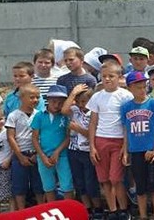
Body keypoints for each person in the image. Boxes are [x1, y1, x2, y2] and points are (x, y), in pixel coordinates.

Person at [87, 62, 133, 217]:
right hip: (101, 140)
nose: (107, 79)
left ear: (119, 77)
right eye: (104, 76)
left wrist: (125, 147)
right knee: (104, 179)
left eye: (111, 76)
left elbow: (127, 123)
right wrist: (92, 146)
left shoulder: (126, 96)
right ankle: (112, 210)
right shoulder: (97, 96)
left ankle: (124, 209)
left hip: (118, 140)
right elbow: (93, 122)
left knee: (116, 178)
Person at [120, 71, 154, 220]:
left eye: (143, 86)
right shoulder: (126, 107)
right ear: (130, 88)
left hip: (150, 150)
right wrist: (125, 150)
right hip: (135, 150)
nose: (142, 90)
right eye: (137, 87)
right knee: (140, 185)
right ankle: (143, 214)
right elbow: (126, 129)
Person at [61, 84, 101, 216]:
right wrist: (73, 93)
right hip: (74, 150)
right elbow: (64, 110)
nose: (80, 104)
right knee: (79, 182)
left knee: (91, 182)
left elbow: (92, 133)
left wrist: (78, 129)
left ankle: (98, 208)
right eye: (78, 102)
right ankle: (87, 208)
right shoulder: (75, 110)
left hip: (87, 151)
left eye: (84, 101)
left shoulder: (93, 114)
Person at [7, 84, 44, 208]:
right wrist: (20, 156)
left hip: (36, 154)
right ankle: (21, 211)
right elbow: (11, 137)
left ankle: (41, 209)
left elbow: (43, 136)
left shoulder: (40, 114)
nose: (35, 100)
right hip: (20, 155)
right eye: (31, 97)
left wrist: (38, 154)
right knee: (19, 186)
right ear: (22, 98)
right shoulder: (14, 115)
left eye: (37, 97)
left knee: (39, 185)